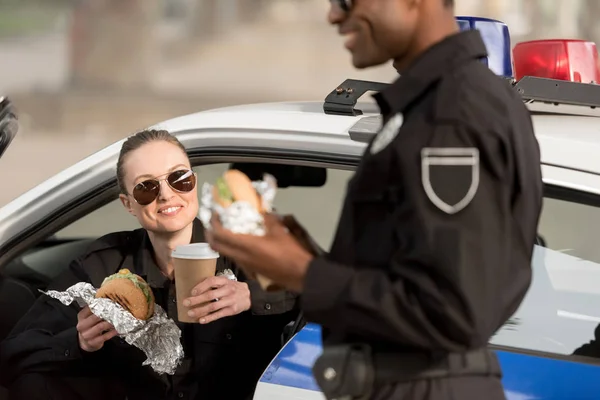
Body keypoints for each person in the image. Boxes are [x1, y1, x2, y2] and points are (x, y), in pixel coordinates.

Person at [204, 1, 543, 400]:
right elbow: (413, 273)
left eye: (346, 1)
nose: (333, 15)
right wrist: (302, 258)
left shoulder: (453, 111)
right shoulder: (433, 105)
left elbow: (452, 309)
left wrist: (304, 273)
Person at [0, 129, 300, 400]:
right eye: (146, 187)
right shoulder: (104, 266)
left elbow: (331, 296)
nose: (168, 194)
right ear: (129, 204)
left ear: (194, 183)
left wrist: (252, 295)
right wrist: (79, 342)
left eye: (179, 178)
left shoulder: (250, 251)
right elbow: (15, 354)